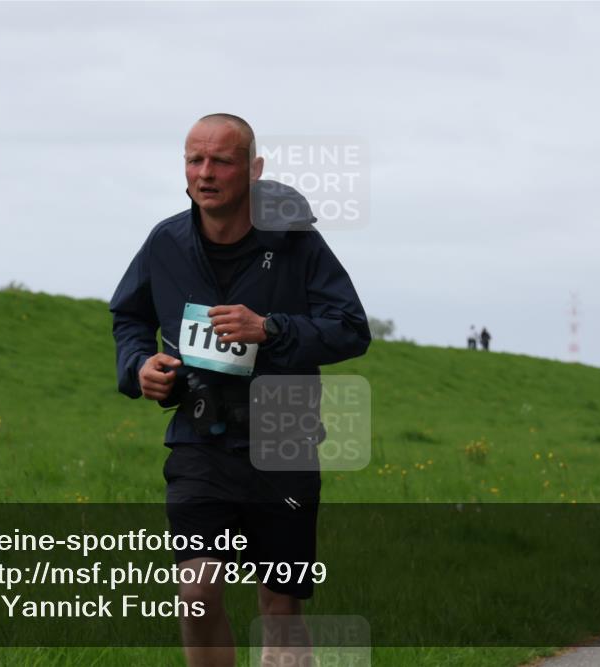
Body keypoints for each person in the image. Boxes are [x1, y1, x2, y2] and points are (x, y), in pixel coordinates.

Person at [110, 113, 371, 666]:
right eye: (194, 160)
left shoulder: (296, 244)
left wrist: (270, 329)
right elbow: (129, 316)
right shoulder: (165, 242)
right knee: (196, 593)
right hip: (199, 438)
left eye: (221, 161)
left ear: (253, 169)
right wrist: (138, 366)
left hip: (282, 441)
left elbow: (351, 328)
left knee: (279, 608)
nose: (205, 173)